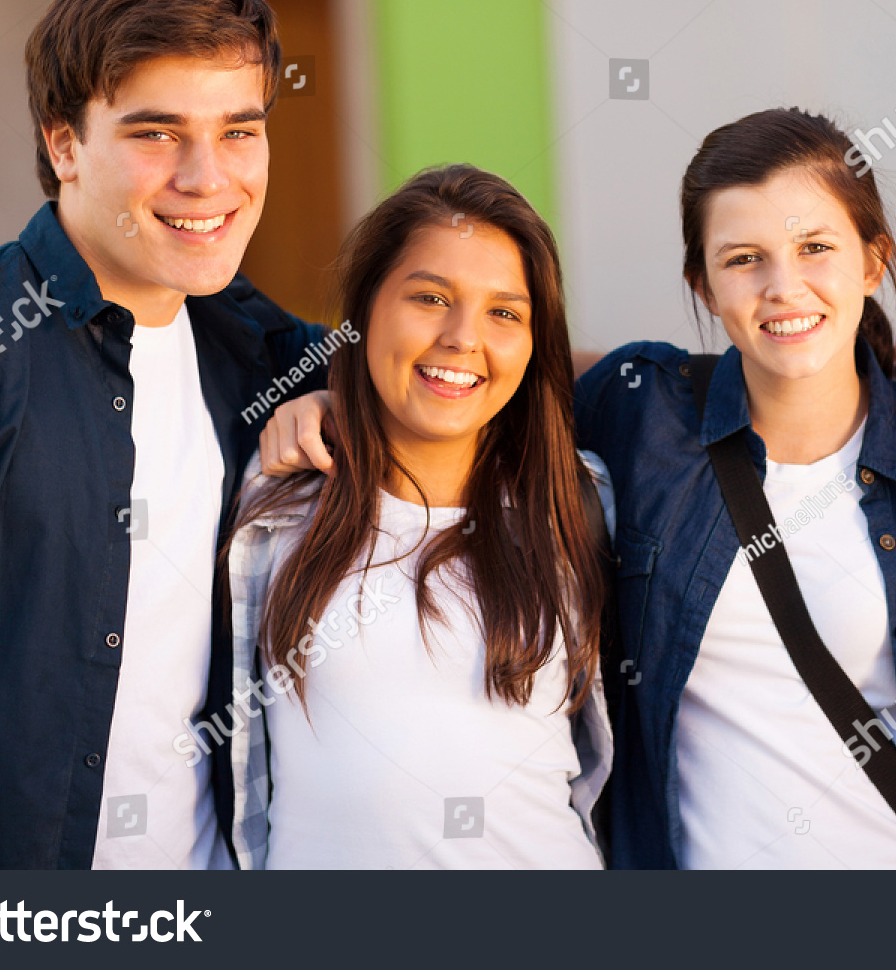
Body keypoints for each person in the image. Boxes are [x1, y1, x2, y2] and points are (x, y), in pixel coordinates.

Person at [260, 109, 896, 869]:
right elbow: (483, 376)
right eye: (744, 258)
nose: (784, 286)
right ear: (700, 283)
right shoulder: (646, 415)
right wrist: (329, 392)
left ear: (872, 262)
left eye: (815, 248)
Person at [0, 0, 332, 868]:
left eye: (240, 129)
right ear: (63, 142)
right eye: (156, 132)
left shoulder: (265, 359)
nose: (208, 179)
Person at [223, 165, 611, 869]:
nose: (464, 337)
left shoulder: (577, 503)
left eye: (505, 312)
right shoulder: (275, 504)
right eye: (431, 296)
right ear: (367, 307)